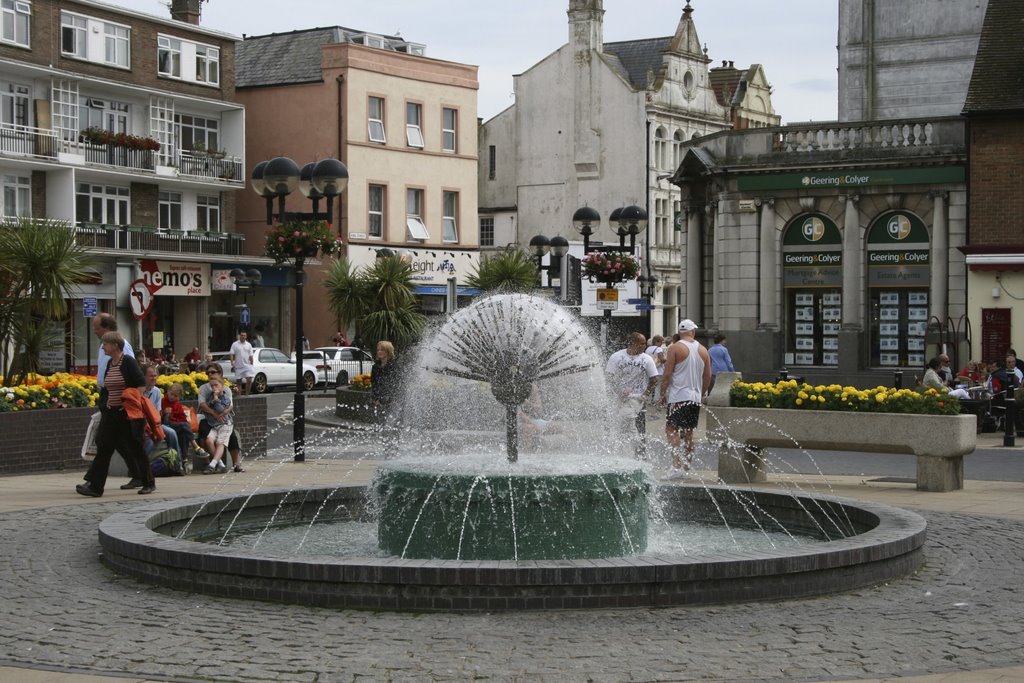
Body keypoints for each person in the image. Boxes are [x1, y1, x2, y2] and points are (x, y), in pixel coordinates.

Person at [76, 331, 156, 497]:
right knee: (104, 447)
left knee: (135, 447)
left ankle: (148, 482)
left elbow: (141, 384)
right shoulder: (111, 364)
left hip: (126, 414)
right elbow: (107, 387)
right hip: (111, 413)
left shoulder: (128, 362)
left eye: (105, 344)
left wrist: (132, 404)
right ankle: (96, 487)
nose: (103, 347)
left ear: (114, 346)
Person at [87, 312, 140, 488]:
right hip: (107, 395)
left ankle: (94, 480)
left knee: (106, 440)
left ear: (107, 328)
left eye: (97, 327)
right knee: (116, 440)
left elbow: (132, 374)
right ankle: (140, 475)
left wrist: (126, 397)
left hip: (118, 398)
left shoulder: (122, 348)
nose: (94, 331)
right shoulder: (104, 347)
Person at [660, 319, 712, 478]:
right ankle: (686, 468)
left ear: (680, 333)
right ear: (693, 332)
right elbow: (707, 376)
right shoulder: (703, 350)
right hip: (694, 397)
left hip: (678, 396)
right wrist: (701, 393)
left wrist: (662, 393)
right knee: (688, 432)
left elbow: (667, 374)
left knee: (671, 429)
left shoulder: (675, 348)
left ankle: (675, 467)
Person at [606, 332, 659, 458]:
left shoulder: (646, 359)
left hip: (636, 399)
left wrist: (645, 395)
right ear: (632, 343)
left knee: (625, 420)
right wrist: (618, 391)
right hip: (618, 398)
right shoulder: (616, 357)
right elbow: (609, 377)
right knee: (624, 426)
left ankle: (636, 452)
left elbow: (654, 379)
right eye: (641, 343)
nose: (644, 346)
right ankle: (631, 453)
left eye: (645, 343)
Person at [197, 365, 243, 471]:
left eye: (212, 372)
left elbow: (230, 406)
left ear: (220, 374)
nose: (210, 375)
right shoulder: (204, 388)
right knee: (204, 432)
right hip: (207, 417)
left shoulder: (226, 389)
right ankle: (214, 463)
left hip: (222, 418)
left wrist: (221, 414)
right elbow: (203, 405)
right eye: (208, 373)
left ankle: (236, 463)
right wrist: (214, 413)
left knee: (232, 435)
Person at [141, 364, 180, 461]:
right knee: (149, 440)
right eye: (151, 376)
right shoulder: (139, 391)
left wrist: (156, 428)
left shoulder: (157, 391)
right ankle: (140, 466)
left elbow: (158, 413)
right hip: (142, 423)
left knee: (172, 433)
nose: (154, 378)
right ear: (144, 376)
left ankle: (176, 462)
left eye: (155, 376)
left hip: (154, 423)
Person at [371, 340, 401, 451]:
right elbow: (373, 384)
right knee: (383, 426)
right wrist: (375, 398)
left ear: (388, 351)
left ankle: (394, 448)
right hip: (380, 401)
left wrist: (394, 399)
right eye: (378, 350)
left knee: (393, 426)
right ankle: (387, 448)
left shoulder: (394, 366)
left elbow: (397, 384)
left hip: (393, 401)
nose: (379, 352)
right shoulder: (375, 367)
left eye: (382, 350)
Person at [202, 377, 234, 474]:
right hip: (214, 425)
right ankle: (221, 464)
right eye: (212, 385)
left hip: (225, 424)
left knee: (220, 443)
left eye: (216, 385)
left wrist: (216, 399)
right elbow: (206, 406)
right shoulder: (209, 395)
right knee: (209, 440)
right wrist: (212, 400)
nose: (214, 387)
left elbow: (221, 410)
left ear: (222, 386)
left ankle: (212, 465)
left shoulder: (226, 398)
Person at [162, 382, 197, 465]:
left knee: (184, 434)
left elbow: (183, 418)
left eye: (175, 396)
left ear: (179, 397)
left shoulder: (178, 405)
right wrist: (166, 413)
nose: (172, 397)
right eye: (171, 394)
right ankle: (196, 446)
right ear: (168, 392)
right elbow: (161, 417)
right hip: (167, 423)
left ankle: (184, 459)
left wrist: (182, 422)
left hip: (176, 425)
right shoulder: (163, 401)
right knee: (184, 426)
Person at [229, 330, 255, 395]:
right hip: (238, 366)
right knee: (239, 381)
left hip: (247, 365)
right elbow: (231, 354)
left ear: (246, 336)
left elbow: (251, 355)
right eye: (242, 335)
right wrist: (232, 362)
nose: (243, 336)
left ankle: (247, 395)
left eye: (244, 335)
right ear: (239, 336)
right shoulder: (234, 344)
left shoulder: (249, 345)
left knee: (249, 379)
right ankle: (239, 396)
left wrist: (252, 362)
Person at [644, 335, 666, 403]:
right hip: (658, 371)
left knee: (649, 385)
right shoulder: (658, 349)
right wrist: (666, 359)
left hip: (649, 370)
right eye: (661, 342)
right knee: (658, 386)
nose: (661, 344)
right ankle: (656, 400)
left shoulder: (648, 349)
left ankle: (647, 399)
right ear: (657, 341)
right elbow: (661, 360)